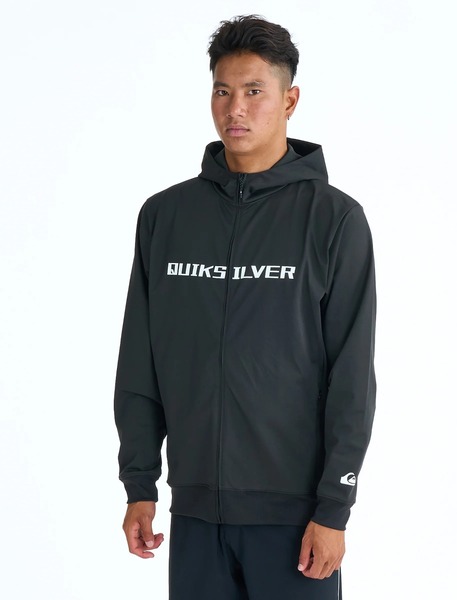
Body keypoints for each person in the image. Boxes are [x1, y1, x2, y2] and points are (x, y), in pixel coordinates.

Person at [113, 14, 377, 600]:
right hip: (194, 516)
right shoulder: (165, 218)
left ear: (290, 100)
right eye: (223, 91)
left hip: (296, 521)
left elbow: (352, 378)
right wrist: (140, 483)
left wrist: (335, 508)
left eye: (255, 91)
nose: (235, 108)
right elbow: (140, 361)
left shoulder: (334, 221)